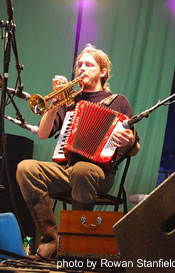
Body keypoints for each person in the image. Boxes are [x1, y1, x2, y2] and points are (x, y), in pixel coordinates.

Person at [16, 44, 140, 259]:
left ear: (102, 72)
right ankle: (50, 240)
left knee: (83, 170)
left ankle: (74, 243)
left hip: (99, 173)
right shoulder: (69, 101)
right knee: (25, 168)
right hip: (66, 170)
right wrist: (55, 100)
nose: (82, 68)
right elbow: (44, 134)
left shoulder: (119, 101)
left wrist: (128, 141)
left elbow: (135, 148)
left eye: (88, 64)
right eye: (79, 65)